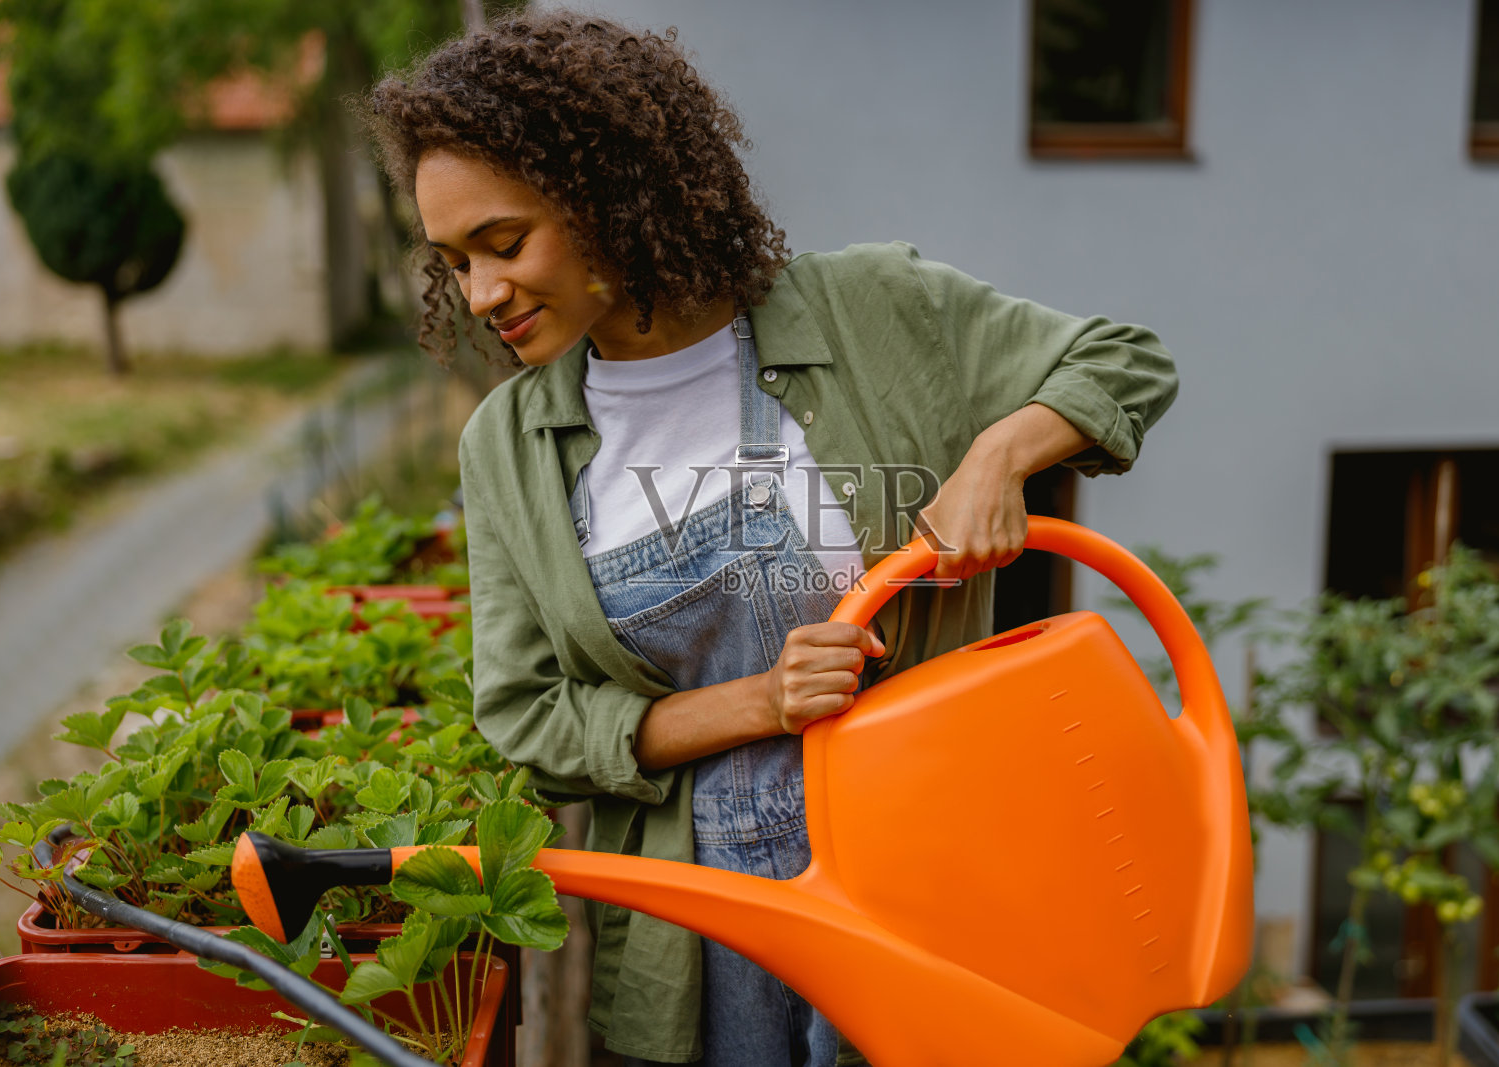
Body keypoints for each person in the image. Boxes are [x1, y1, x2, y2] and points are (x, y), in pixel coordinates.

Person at [367, 10, 1178, 1066]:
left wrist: (998, 458)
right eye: (453, 260)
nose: (480, 295)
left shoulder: (875, 311)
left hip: (933, 888)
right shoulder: (510, 446)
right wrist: (762, 701)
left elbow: (1126, 360)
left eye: (504, 243)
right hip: (704, 935)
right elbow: (528, 713)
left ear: (609, 193)